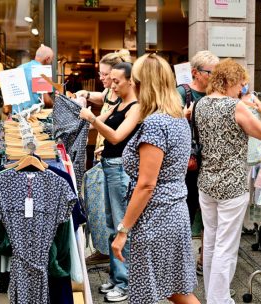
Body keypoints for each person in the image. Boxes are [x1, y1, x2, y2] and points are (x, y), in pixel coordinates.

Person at [111, 53, 199, 304]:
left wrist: (123, 230)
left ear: (141, 85)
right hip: (173, 211)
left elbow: (147, 184)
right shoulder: (177, 117)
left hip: (155, 216)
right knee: (175, 289)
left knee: (151, 290)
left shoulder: (156, 123)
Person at [194, 58, 261, 303]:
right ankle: (219, 300)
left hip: (207, 181)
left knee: (211, 240)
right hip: (232, 184)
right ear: (229, 81)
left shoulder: (202, 104)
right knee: (226, 246)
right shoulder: (234, 107)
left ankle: (214, 295)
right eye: (240, 85)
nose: (242, 90)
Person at [79, 62, 140, 303]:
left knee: (121, 226)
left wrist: (92, 119)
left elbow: (115, 136)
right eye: (111, 80)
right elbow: (98, 120)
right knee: (111, 224)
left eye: (116, 81)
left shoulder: (136, 107)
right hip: (109, 167)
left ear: (130, 81)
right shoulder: (119, 103)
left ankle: (125, 283)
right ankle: (117, 278)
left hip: (120, 170)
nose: (112, 85)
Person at [176, 50, 219, 276]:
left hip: (212, 163)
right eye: (211, 72)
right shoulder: (182, 93)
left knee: (209, 214)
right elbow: (169, 124)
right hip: (190, 165)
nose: (215, 76)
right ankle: (180, 262)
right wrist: (183, 119)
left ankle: (204, 258)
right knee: (188, 211)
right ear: (195, 73)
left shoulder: (218, 95)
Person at [16, 44, 54, 112]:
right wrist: (53, 105)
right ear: (47, 59)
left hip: (16, 114)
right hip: (33, 117)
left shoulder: (19, 68)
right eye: (51, 60)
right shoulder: (43, 71)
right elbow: (46, 100)